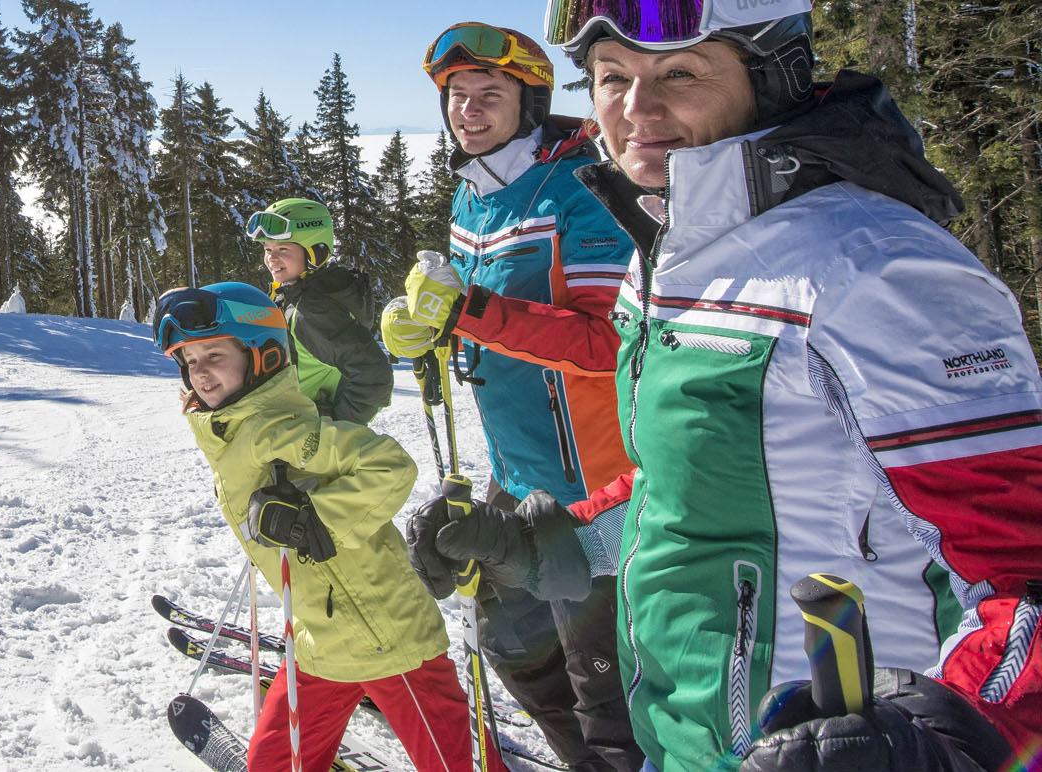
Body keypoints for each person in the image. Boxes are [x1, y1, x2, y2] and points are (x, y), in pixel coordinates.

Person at [428, 2, 1042, 770]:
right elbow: (684, 494)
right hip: (687, 745)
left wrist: (956, 739)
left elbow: (1024, 575)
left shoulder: (876, 268)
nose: (635, 109)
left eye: (679, 72)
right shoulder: (668, 262)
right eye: (613, 77)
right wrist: (552, 543)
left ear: (771, 77)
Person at [379, 22, 643, 772]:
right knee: (509, 643)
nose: (469, 110)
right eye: (458, 97)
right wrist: (431, 331)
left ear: (528, 101)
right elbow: (485, 323)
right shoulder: (475, 197)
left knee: (607, 695)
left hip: (597, 484)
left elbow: (611, 341)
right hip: (516, 471)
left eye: (488, 95)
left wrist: (466, 312)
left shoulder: (584, 186)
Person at [152, 282, 506, 772]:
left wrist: (312, 518)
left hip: (387, 640)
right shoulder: (232, 432)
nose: (201, 372)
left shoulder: (281, 428)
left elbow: (389, 465)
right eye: (190, 361)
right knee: (272, 764)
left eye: (214, 353)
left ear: (263, 354)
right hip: (318, 643)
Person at [244, 199, 394, 425]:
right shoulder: (301, 295)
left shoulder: (312, 311)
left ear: (316, 251)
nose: (271, 259)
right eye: (267, 250)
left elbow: (374, 375)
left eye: (283, 249)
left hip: (307, 439)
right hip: (295, 431)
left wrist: (335, 426)